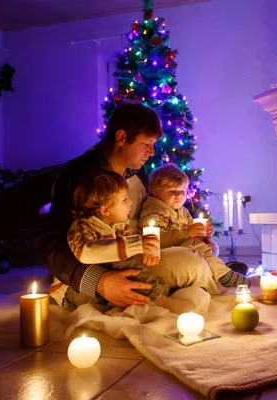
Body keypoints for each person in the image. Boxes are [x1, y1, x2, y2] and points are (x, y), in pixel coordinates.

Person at [38, 102, 220, 310]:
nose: (152, 152)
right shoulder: (81, 175)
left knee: (198, 254)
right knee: (192, 264)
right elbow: (50, 243)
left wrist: (190, 235)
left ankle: (200, 284)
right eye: (146, 144)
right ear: (122, 138)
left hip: (136, 256)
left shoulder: (137, 173)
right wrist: (100, 281)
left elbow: (154, 218)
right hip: (100, 264)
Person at [49, 170, 193, 314]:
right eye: (124, 199)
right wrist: (134, 245)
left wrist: (141, 255)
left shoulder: (120, 226)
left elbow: (123, 253)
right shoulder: (83, 227)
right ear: (105, 209)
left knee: (128, 267)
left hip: (105, 289)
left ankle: (147, 298)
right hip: (73, 292)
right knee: (121, 262)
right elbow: (86, 253)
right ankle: (157, 298)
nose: (130, 202)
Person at [140, 163, 259, 291]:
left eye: (182, 191)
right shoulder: (154, 211)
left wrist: (204, 235)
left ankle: (222, 274)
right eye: (172, 191)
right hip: (165, 256)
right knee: (194, 244)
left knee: (201, 245)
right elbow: (156, 241)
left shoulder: (182, 211)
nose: (179, 196)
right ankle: (225, 275)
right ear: (155, 191)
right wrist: (186, 233)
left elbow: (192, 233)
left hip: (185, 250)